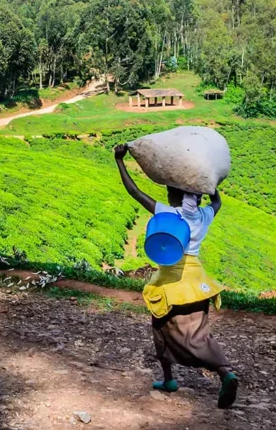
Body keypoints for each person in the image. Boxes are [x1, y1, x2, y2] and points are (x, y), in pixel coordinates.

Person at [114, 144, 239, 409]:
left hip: (172, 283)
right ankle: (212, 374)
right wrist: (209, 184)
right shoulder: (204, 215)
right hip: (197, 282)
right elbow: (217, 202)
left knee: (162, 331)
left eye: (170, 192)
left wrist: (120, 161)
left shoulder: (169, 213)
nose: (168, 196)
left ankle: (222, 372)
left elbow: (135, 192)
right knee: (198, 332)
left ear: (174, 196)